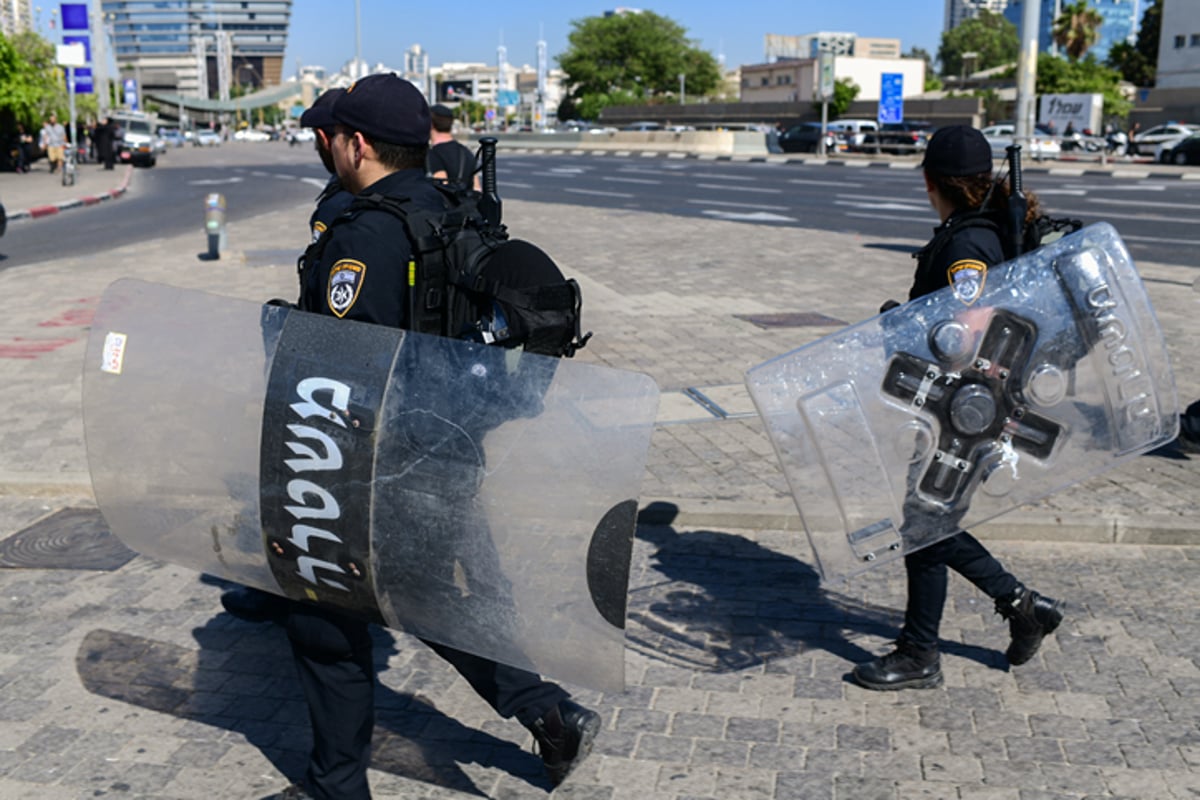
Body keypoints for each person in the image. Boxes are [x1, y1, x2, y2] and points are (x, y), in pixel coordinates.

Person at [261, 74, 599, 800]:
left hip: (375, 457)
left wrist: (282, 336)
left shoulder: (365, 233)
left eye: (333, 138)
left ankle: (336, 787)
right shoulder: (456, 206)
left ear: (356, 143)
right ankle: (549, 713)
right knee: (425, 596)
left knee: (326, 619)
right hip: (449, 442)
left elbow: (343, 370)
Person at [852, 125, 1065, 692]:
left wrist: (903, 326)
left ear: (931, 181)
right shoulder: (986, 229)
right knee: (927, 522)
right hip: (965, 406)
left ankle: (993, 617)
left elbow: (967, 333)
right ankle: (1003, 614)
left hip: (963, 409)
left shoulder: (967, 245)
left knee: (926, 524)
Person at [426, 103, 480, 189]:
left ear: (431, 124)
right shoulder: (466, 152)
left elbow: (441, 188)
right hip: (467, 201)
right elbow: (477, 189)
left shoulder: (432, 155)